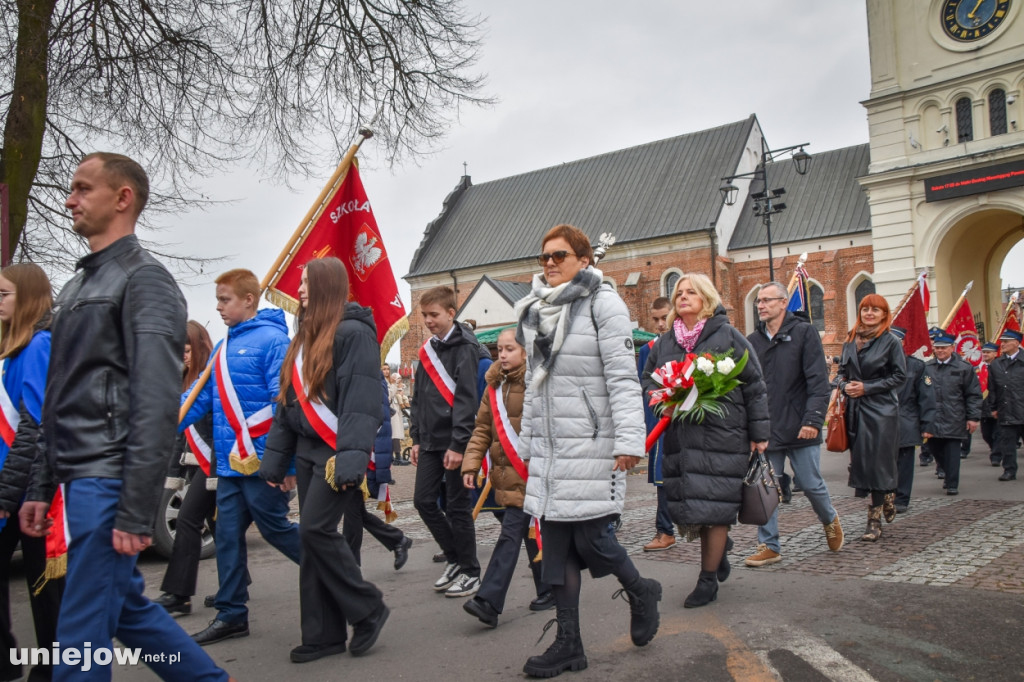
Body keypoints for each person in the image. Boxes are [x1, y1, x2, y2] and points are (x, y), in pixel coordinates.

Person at [19, 152, 231, 681]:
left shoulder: (146, 282)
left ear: (122, 198)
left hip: (108, 480)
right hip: (78, 477)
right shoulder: (73, 289)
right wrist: (42, 484)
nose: (69, 199)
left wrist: (137, 507)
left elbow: (157, 399)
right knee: (127, 613)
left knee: (81, 632)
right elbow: (58, 399)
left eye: (82, 188)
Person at [518, 224, 661, 678]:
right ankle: (569, 644)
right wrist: (528, 441)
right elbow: (533, 385)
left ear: (583, 259)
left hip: (593, 442)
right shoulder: (535, 310)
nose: (550, 264)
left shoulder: (604, 303)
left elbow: (622, 377)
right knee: (556, 548)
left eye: (559, 256)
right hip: (551, 447)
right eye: (544, 257)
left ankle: (641, 590)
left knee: (594, 539)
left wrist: (628, 441)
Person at [260, 257, 389, 663]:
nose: (298, 289)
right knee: (310, 541)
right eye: (299, 282)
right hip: (307, 449)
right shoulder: (302, 339)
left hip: (336, 451)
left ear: (327, 287)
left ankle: (368, 608)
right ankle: (322, 634)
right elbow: (287, 406)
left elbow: (362, 401)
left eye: (305, 282)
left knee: (314, 531)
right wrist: (275, 463)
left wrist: (352, 457)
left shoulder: (353, 334)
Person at [181, 268, 301, 645]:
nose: (218, 307)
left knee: (276, 529)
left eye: (225, 299)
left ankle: (338, 574)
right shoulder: (222, 346)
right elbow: (201, 398)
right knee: (228, 536)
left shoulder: (275, 341)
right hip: (232, 463)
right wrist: (165, 415)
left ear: (249, 300)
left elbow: (281, 406)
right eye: (217, 299)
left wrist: (285, 465)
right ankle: (232, 613)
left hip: (263, 460)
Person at [643, 273, 770, 607]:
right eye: (679, 293)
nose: (683, 297)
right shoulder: (666, 341)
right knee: (691, 506)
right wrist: (662, 398)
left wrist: (760, 435)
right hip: (681, 439)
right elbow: (648, 380)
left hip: (721, 435)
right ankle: (719, 551)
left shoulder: (726, 335)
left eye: (691, 292)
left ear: (706, 298)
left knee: (714, 506)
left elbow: (754, 385)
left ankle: (707, 580)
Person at [744, 281, 843, 568]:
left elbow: (818, 381)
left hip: (801, 425)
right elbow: (750, 387)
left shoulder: (804, 333)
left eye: (767, 300)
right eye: (758, 301)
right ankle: (769, 545)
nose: (760, 305)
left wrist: (813, 419)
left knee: (811, 484)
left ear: (783, 303)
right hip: (767, 428)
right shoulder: (753, 340)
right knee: (767, 488)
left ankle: (829, 519)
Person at [461, 328, 552, 629]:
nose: (502, 354)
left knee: (511, 533)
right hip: (505, 473)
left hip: (532, 473)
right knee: (527, 532)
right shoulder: (494, 387)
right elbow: (482, 430)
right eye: (499, 349)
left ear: (525, 351)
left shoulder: (538, 383)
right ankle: (549, 587)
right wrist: (470, 465)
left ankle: (489, 601)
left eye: (509, 349)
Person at [0, 264, 62, 682]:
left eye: (3, 295)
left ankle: (52, 667)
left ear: (28, 298)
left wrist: (8, 494)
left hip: (25, 489)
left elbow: (35, 427)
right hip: (12, 484)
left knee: (46, 591)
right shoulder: (13, 350)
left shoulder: (40, 345)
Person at [410, 286, 482, 597]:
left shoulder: (465, 346)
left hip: (455, 440)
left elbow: (467, 399)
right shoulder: (428, 348)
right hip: (429, 439)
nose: (428, 320)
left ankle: (470, 571)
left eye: (434, 315)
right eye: (424, 315)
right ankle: (454, 557)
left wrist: (458, 444)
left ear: (451, 314)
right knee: (423, 501)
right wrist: (415, 437)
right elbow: (418, 397)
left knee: (457, 507)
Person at [152, 321, 217, 616]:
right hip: (200, 465)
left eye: (188, 350)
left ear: (201, 348)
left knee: (192, 520)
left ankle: (324, 565)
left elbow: (220, 430)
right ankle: (185, 594)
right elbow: (178, 434)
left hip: (222, 464)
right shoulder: (184, 381)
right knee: (209, 525)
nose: (183, 356)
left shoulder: (211, 380)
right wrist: (173, 476)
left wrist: (216, 471)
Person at [836, 293, 906, 542]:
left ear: (884, 315)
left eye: (875, 310)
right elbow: (840, 374)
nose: (869, 313)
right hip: (855, 410)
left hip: (881, 411)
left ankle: (873, 520)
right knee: (862, 464)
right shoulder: (850, 340)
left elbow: (899, 376)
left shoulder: (890, 341)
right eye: (865, 309)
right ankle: (886, 495)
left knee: (878, 463)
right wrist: (845, 387)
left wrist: (867, 387)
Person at [340, 371, 413, 569]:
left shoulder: (370, 376)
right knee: (354, 509)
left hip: (360, 449)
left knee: (352, 508)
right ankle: (397, 540)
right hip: (348, 446)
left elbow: (378, 419)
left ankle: (350, 566)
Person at [639, 297, 676, 553]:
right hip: (660, 422)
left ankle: (713, 531)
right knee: (663, 480)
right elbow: (644, 389)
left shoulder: (689, 344)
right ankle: (664, 530)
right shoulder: (647, 349)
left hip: (686, 420)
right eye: (656, 319)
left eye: (665, 318)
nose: (661, 324)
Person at [923, 332, 981, 496]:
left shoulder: (963, 367)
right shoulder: (927, 367)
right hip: (933, 418)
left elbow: (973, 395)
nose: (940, 351)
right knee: (935, 449)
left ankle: (952, 483)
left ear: (952, 348)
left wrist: (973, 418)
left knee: (952, 453)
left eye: (943, 348)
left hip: (955, 416)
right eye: (937, 348)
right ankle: (948, 474)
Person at [891, 326, 936, 514]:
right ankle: (886, 495)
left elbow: (926, 397)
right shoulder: (875, 365)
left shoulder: (916, 366)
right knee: (884, 463)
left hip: (906, 421)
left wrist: (927, 425)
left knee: (904, 463)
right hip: (881, 423)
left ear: (901, 343)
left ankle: (901, 498)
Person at [989, 329, 1024, 481]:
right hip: (1006, 409)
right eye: (1002, 341)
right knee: (1007, 444)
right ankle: (1009, 470)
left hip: (1022, 408)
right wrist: (994, 407)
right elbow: (993, 388)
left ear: (1016, 343)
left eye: (1006, 341)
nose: (1002, 344)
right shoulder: (996, 364)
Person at [979, 343, 1003, 467]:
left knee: (998, 433)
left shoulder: (1000, 366)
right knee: (986, 434)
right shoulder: (978, 368)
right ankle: (995, 448)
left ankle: (996, 455)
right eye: (984, 352)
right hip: (983, 406)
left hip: (998, 406)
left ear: (995, 353)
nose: (985, 354)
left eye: (988, 352)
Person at [389, 372, 408, 461]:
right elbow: (390, 396)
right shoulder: (390, 386)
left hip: (398, 409)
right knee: (394, 433)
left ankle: (397, 453)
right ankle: (396, 454)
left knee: (397, 433)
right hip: (392, 409)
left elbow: (402, 390)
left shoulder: (399, 386)